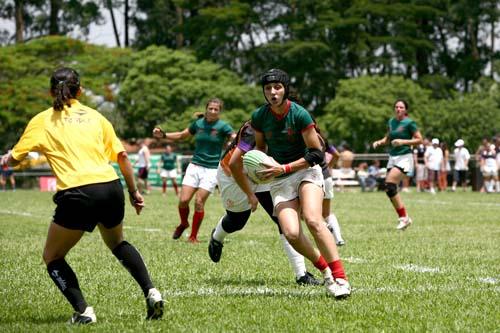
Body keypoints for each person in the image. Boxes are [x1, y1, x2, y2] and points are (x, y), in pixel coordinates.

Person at [0, 67, 163, 324]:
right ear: (81, 90)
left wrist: (7, 158)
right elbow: (121, 156)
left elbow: (14, 160)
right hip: (111, 187)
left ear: (51, 91)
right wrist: (134, 191)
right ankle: (152, 292)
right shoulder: (97, 117)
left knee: (52, 257)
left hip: (78, 192)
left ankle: (84, 311)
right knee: (117, 242)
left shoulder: (42, 120)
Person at [251, 68, 351, 298]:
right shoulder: (259, 116)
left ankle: (341, 278)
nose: (273, 92)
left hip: (306, 171)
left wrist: (285, 167)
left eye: (277, 87)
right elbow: (259, 150)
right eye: (268, 88)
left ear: (285, 89)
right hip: (279, 179)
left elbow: (317, 153)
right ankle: (325, 271)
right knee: (292, 233)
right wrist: (257, 168)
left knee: (314, 220)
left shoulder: (300, 114)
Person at [209, 120, 320, 286]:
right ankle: (217, 237)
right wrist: (250, 195)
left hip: (263, 171)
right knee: (237, 221)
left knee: (282, 218)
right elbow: (234, 164)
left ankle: (301, 274)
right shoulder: (254, 127)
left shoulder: (294, 125)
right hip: (234, 173)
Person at [153, 98, 235, 243]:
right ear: (206, 109)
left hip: (211, 169)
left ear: (219, 112)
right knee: (183, 200)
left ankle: (193, 236)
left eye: (216, 110)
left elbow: (234, 137)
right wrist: (164, 135)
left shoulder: (223, 126)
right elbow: (181, 135)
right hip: (194, 166)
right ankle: (183, 223)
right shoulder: (198, 124)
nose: (213, 111)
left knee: (199, 202)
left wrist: (236, 140)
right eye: (211, 108)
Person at [372, 99, 423, 230]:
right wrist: (380, 142)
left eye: (401, 107)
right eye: (396, 107)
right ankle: (404, 218)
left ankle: (404, 218)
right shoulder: (391, 122)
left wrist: (403, 142)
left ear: (405, 110)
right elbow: (388, 137)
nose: (398, 109)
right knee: (389, 189)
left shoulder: (409, 123)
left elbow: (419, 140)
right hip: (393, 157)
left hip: (405, 158)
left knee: (389, 184)